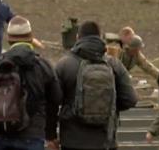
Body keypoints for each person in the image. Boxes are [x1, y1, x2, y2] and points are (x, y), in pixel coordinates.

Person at [0, 16, 61, 150]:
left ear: (9, 39)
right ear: (30, 37)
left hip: (1, 133)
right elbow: (56, 98)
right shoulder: (43, 65)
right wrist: (51, 134)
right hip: (33, 135)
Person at [55, 20, 138, 150]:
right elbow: (130, 99)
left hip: (72, 140)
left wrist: (51, 135)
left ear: (78, 37)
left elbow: (53, 101)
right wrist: (109, 105)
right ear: (101, 38)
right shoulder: (114, 64)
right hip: (105, 140)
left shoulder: (64, 65)